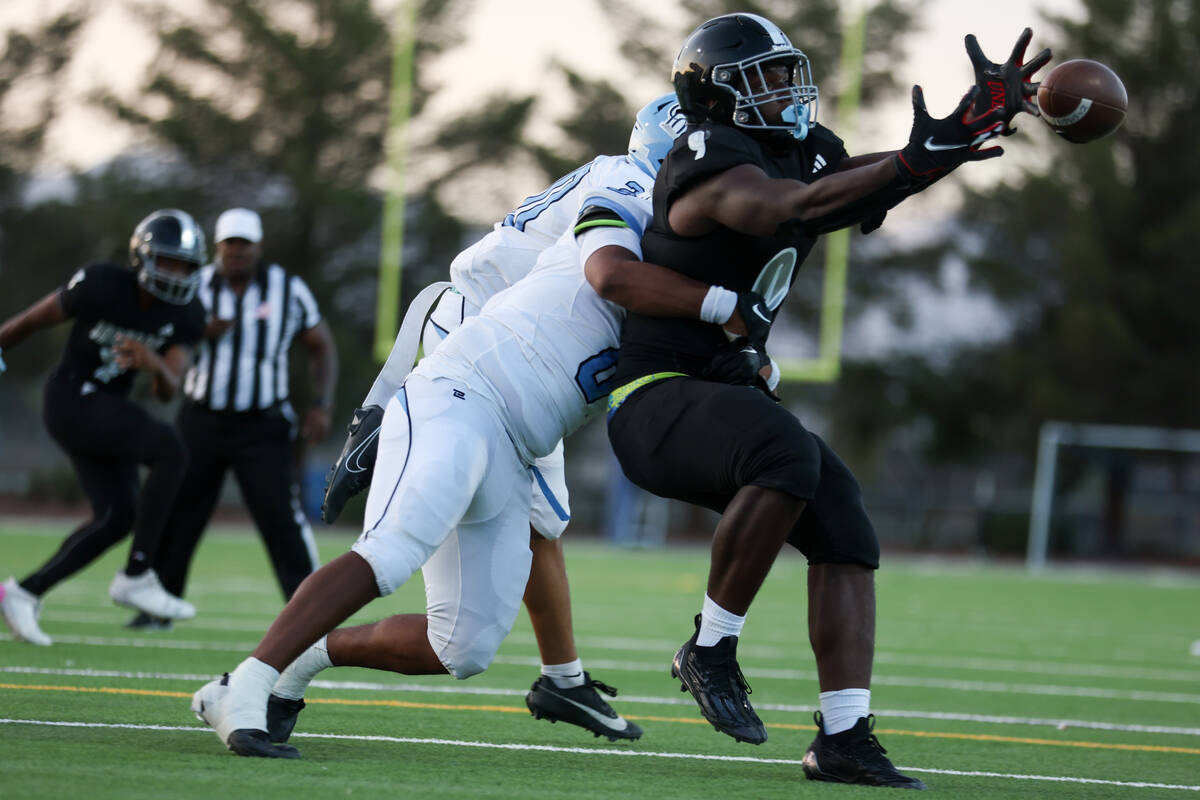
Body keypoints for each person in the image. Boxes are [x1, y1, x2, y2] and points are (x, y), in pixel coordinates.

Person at [189, 96, 764, 758]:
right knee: (397, 545)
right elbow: (616, 280)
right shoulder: (628, 189)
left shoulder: (650, 219)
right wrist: (724, 307)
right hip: (474, 355)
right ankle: (252, 682)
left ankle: (307, 662)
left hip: (516, 406)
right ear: (674, 163)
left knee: (463, 643)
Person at [605, 14, 1049, 790]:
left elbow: (861, 187)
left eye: (787, 73)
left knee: (843, 519)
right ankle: (709, 646)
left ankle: (843, 738)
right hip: (656, 397)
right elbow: (791, 208)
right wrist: (922, 156)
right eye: (768, 77)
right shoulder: (708, 156)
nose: (788, 89)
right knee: (788, 454)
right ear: (719, 91)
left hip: (727, 395)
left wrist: (965, 124)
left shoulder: (801, 149)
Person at [313, 97, 692, 742]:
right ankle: (290, 654)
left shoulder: (623, 173)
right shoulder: (630, 184)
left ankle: (564, 680)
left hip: (493, 328)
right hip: (486, 341)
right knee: (517, 520)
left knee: (545, 520)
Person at [0, 209, 209, 645]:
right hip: (70, 397)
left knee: (119, 516)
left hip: (105, 407)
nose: (176, 273)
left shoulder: (188, 313)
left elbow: (168, 390)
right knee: (171, 449)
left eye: (185, 265)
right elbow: (29, 322)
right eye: (168, 261)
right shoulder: (102, 284)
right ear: (143, 258)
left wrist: (154, 363)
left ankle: (23, 593)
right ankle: (138, 574)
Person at [128, 208, 338, 630]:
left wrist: (322, 403)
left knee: (280, 516)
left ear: (258, 246)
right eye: (229, 244)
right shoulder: (195, 284)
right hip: (202, 417)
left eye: (244, 243)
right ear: (218, 247)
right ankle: (159, 606)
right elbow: (167, 337)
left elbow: (321, 345)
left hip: (263, 423)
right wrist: (201, 332)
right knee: (179, 509)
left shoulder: (287, 289)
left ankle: (309, 615)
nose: (236, 251)